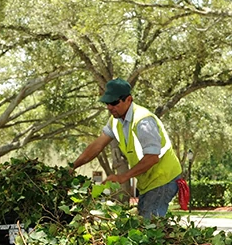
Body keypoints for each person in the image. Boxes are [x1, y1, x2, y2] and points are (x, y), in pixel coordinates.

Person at [73, 78, 182, 218]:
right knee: (145, 224)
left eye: (114, 103)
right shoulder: (115, 121)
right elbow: (97, 145)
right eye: (107, 103)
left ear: (128, 100)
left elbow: (152, 158)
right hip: (148, 182)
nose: (109, 107)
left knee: (150, 228)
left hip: (163, 179)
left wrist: (123, 177)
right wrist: (73, 166)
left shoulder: (143, 121)